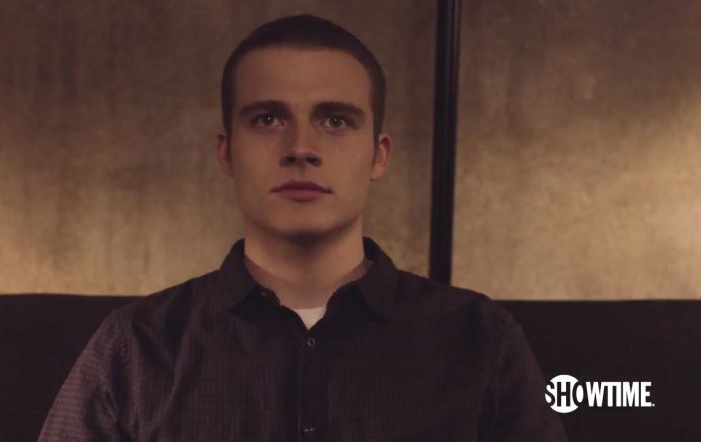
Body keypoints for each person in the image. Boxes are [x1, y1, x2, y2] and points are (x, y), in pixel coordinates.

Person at [38, 14, 567, 441]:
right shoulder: (134, 349)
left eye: (335, 120)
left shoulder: (480, 340)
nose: (300, 148)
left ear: (379, 154)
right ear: (226, 151)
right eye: (267, 119)